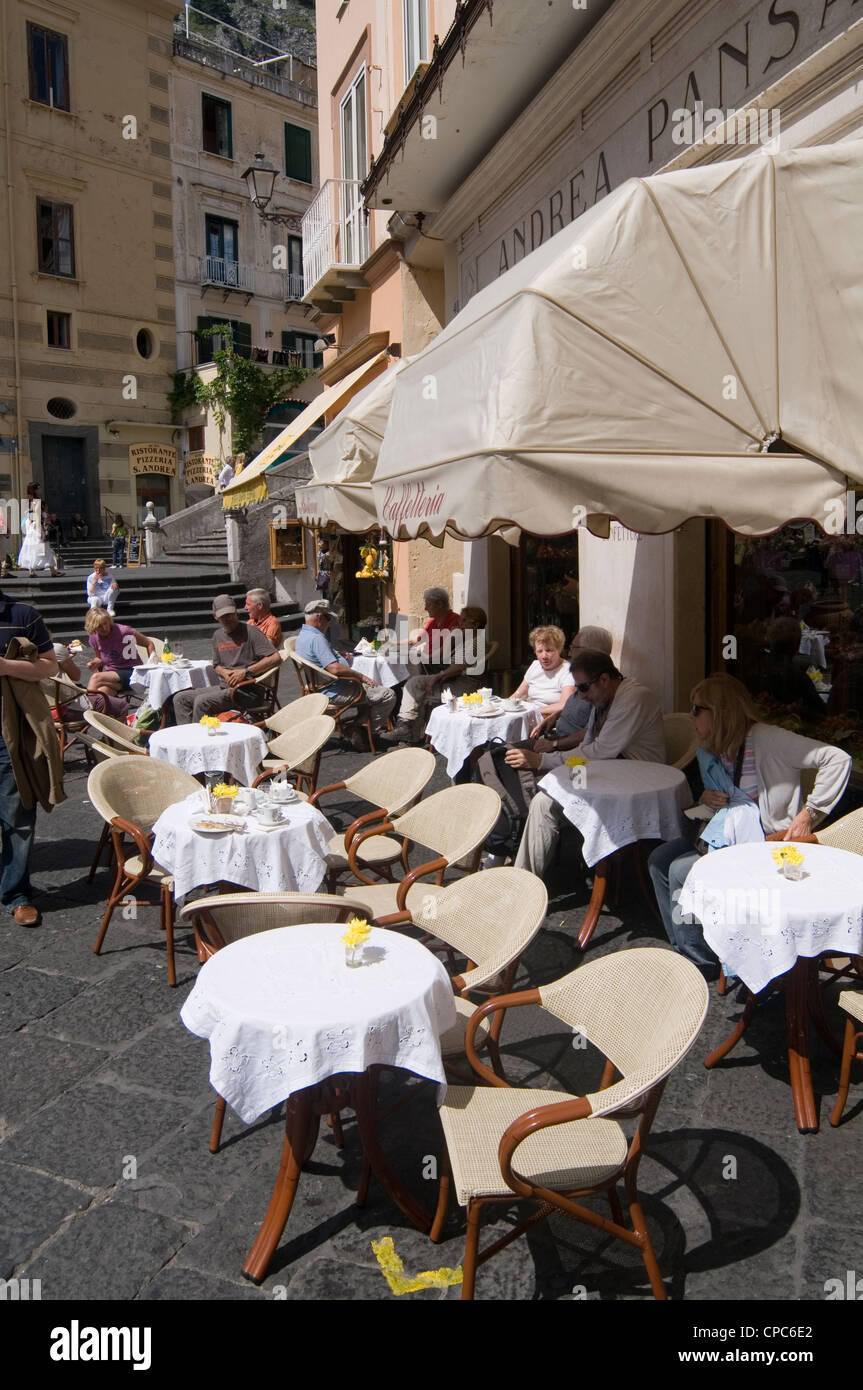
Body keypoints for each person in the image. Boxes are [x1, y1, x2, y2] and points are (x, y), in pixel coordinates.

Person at [647, 673, 851, 975]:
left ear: (722, 713)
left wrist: (810, 813)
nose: (691, 717)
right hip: (729, 835)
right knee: (659, 860)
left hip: (769, 842)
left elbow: (838, 758)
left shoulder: (769, 739)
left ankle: (700, 961)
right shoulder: (717, 746)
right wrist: (707, 796)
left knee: (680, 870)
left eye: (696, 709)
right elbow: (732, 804)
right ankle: (688, 944)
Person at [509, 649, 665, 878]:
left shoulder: (633, 697)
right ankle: (522, 881)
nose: (581, 696)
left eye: (583, 688)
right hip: (605, 774)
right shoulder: (603, 699)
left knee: (547, 794)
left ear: (604, 679)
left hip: (634, 786)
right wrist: (554, 769)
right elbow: (589, 745)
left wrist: (544, 759)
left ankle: (526, 879)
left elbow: (601, 750)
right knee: (544, 797)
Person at [0, 589, 59, 925]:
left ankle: (17, 893)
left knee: (18, 814)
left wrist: (6, 666)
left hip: (12, 734)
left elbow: (49, 666)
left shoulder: (22, 615)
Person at [294, 597, 396, 750]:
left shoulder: (303, 636)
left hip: (321, 686)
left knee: (371, 692)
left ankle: (358, 727)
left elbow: (322, 659)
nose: (329, 623)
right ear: (320, 618)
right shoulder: (316, 639)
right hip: (334, 690)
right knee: (387, 695)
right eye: (328, 618)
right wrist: (360, 676)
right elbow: (334, 668)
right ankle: (362, 731)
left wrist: (337, 655)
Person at [381, 606, 488, 745]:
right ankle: (406, 728)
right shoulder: (465, 639)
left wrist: (437, 677)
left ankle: (410, 735)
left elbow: (459, 667)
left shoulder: (476, 642)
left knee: (417, 689)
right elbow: (442, 654)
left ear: (476, 624)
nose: (459, 623)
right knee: (414, 683)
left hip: (463, 684)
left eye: (463, 621)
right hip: (452, 678)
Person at [172, 594, 282, 724]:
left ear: (236, 611)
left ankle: (200, 741)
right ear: (215, 617)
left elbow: (275, 658)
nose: (228, 619)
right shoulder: (217, 636)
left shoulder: (251, 632)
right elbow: (216, 665)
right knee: (180, 698)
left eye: (230, 614)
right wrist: (224, 673)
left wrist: (245, 672)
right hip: (225, 688)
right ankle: (187, 740)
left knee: (202, 702)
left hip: (247, 691)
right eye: (223, 616)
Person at [509, 625, 576, 720]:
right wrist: (503, 706)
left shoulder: (567, 670)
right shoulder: (535, 666)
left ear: (559, 650)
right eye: (539, 651)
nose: (544, 655)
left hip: (551, 719)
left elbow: (564, 704)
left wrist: (535, 711)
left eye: (549, 650)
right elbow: (520, 695)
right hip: (530, 716)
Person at [84, 609, 153, 698]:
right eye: (99, 626)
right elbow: (99, 658)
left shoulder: (124, 631)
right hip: (114, 676)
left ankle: (86, 709)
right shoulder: (94, 637)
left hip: (132, 672)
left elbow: (149, 643)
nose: (104, 628)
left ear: (109, 621)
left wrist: (151, 667)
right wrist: (95, 662)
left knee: (95, 678)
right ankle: (114, 710)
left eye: (105, 623)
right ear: (93, 627)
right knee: (102, 693)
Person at [411, 587, 461, 672]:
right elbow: (416, 639)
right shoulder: (433, 622)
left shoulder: (455, 620)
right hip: (425, 662)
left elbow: (447, 648)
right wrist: (393, 643)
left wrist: (426, 660)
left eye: (428, 604)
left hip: (437, 666)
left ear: (440, 604)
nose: (425, 608)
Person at [18, 487, 58, 578]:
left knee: (32, 549)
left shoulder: (29, 502)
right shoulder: (37, 502)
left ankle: (33, 571)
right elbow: (37, 516)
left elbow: (29, 516)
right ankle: (53, 571)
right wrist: (40, 531)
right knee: (45, 548)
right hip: (36, 528)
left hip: (32, 528)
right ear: (35, 490)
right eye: (38, 488)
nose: (40, 490)